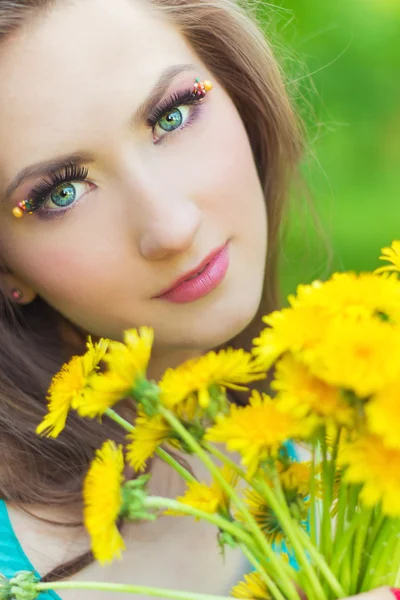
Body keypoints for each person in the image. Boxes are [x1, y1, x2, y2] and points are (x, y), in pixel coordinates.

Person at [0, 0, 396, 599]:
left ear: (242, 95)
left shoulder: (362, 492)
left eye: (172, 116)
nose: (172, 226)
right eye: (62, 193)